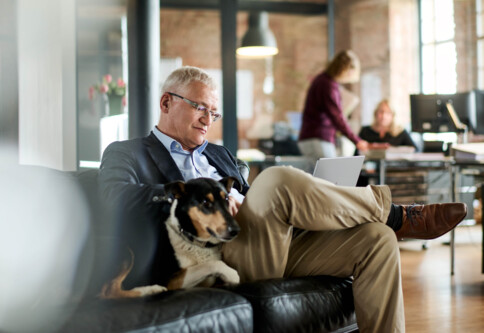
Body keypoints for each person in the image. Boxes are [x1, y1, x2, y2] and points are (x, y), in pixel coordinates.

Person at [99, 66, 467, 332]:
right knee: (275, 179)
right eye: (200, 108)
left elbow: (257, 204)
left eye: (214, 112)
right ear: (166, 102)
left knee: (377, 240)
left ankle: (388, 222)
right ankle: (397, 213)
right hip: (211, 255)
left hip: (268, 243)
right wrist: (200, 199)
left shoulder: (221, 155)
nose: (208, 119)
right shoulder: (128, 153)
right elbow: (117, 199)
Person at [298, 50, 369, 160]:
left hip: (310, 138)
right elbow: (337, 117)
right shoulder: (328, 85)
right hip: (318, 138)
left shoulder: (323, 80)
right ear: (347, 69)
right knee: (329, 176)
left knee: (317, 176)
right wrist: (356, 140)